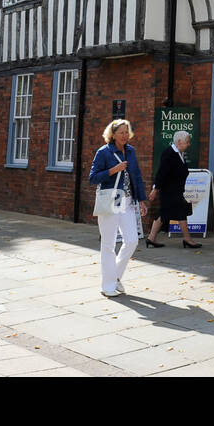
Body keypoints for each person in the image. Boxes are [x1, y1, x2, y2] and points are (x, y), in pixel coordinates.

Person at [88, 118, 147, 298]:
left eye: (126, 132)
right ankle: (107, 286)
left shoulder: (130, 151)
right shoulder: (104, 152)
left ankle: (115, 277)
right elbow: (93, 178)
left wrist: (142, 201)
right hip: (110, 201)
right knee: (108, 244)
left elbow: (136, 176)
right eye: (121, 132)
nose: (124, 135)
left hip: (128, 202)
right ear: (112, 134)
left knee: (131, 241)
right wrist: (114, 170)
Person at [145, 131, 200, 249]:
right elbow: (161, 173)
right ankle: (187, 239)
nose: (189, 144)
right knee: (176, 212)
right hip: (169, 191)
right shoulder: (169, 153)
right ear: (179, 141)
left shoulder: (179, 153)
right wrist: (155, 189)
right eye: (187, 142)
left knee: (167, 213)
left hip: (176, 191)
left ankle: (151, 238)